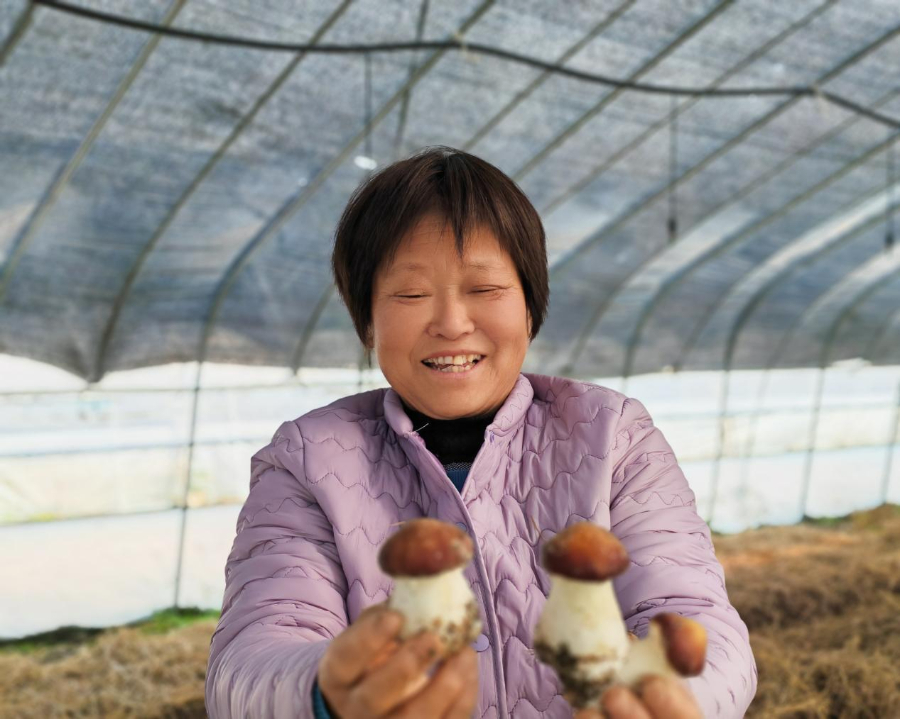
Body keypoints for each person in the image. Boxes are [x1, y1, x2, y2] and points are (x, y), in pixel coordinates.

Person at [205, 146, 757, 718]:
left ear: (530, 306)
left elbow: (694, 615)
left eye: (485, 289)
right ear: (367, 320)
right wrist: (323, 693)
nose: (451, 323)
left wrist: (679, 699)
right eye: (411, 294)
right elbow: (254, 653)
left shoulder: (612, 436)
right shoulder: (306, 462)